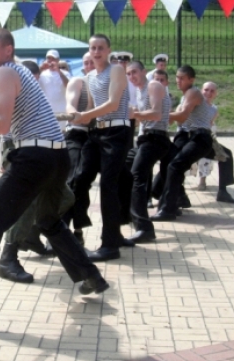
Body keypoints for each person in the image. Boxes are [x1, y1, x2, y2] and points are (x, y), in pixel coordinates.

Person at [0, 28, 108, 331]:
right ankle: (90, 276)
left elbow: (0, 123)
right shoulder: (18, 71)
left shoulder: (4, 71)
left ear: (8, 50)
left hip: (34, 157)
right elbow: (2, 100)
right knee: (48, 221)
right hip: (57, 158)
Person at [68, 34, 134, 262]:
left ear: (108, 50)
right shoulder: (89, 77)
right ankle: (78, 230)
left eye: (100, 48)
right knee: (80, 177)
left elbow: (113, 103)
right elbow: (93, 107)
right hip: (96, 132)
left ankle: (110, 246)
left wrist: (85, 115)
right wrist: (77, 115)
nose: (96, 52)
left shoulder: (116, 70)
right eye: (93, 48)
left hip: (117, 132)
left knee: (108, 185)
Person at [0, 59, 56, 284]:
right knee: (27, 201)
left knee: (64, 196)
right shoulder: (11, 87)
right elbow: (4, 127)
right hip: (19, 152)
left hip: (40, 151)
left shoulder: (34, 93)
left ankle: (30, 235)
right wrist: (4, 156)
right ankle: (8, 255)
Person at [151, 65, 214, 222]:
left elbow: (183, 115)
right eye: (177, 77)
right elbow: (175, 119)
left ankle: (168, 209)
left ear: (191, 80)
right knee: (169, 161)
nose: (178, 81)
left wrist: (156, 115)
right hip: (190, 136)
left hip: (201, 137)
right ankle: (179, 198)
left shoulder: (193, 92)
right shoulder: (185, 95)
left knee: (175, 166)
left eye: (182, 78)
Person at [126, 62, 171, 243]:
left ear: (144, 72)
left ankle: (144, 227)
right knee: (126, 168)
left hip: (156, 138)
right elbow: (142, 116)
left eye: (134, 72)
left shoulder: (153, 85)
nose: (131, 76)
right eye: (128, 74)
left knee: (137, 176)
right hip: (146, 139)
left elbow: (156, 114)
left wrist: (134, 114)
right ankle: (129, 213)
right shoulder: (139, 90)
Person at [62, 53, 95, 244]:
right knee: (72, 179)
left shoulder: (105, 83)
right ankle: (63, 228)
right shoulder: (78, 81)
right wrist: (75, 113)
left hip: (96, 137)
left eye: (93, 61)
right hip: (76, 134)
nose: (90, 65)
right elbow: (70, 105)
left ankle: (78, 228)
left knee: (83, 183)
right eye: (86, 62)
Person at [197, 81, 234, 203]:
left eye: (212, 91)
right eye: (206, 90)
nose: (208, 93)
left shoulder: (214, 109)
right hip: (192, 139)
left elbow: (210, 125)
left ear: (216, 94)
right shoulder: (196, 104)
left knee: (226, 155)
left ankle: (222, 191)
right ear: (201, 90)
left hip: (206, 140)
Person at [39, 49, 70, 131]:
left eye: (53, 59)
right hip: (47, 113)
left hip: (62, 112)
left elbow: (69, 86)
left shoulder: (65, 73)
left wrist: (58, 71)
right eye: (49, 59)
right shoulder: (42, 74)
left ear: (58, 60)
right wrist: (41, 68)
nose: (51, 61)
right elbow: (32, 81)